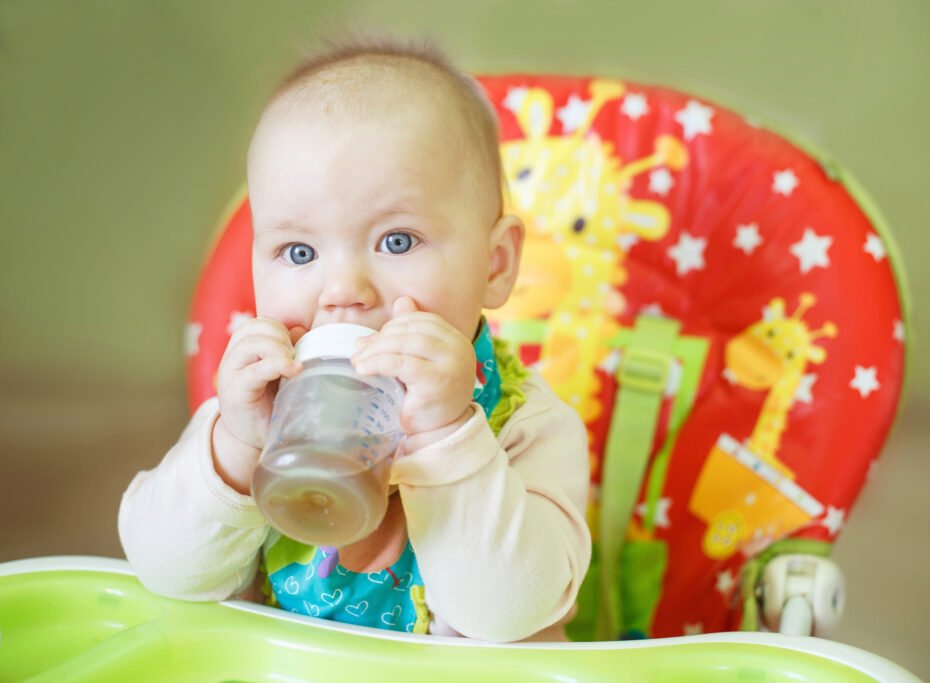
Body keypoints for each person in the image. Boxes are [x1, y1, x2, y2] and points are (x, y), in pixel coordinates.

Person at [118, 33, 591, 643]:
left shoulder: (531, 427)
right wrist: (233, 449)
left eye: (397, 241)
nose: (341, 289)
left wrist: (449, 437)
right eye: (299, 251)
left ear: (495, 264)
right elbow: (166, 574)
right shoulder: (254, 420)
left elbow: (506, 615)